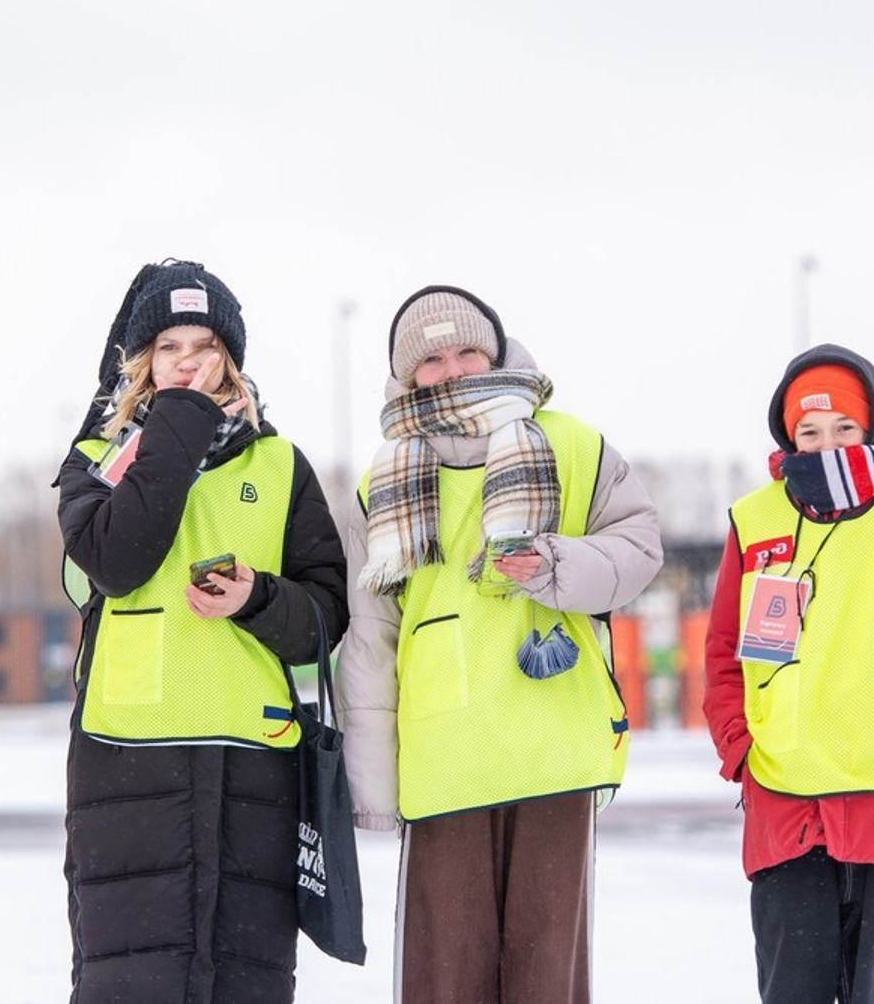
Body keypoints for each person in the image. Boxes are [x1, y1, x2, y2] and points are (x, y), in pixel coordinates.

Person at [334, 284, 663, 1004]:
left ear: (497, 353)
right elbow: (371, 638)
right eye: (431, 360)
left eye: (467, 351)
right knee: (444, 980)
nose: (452, 370)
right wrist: (375, 784)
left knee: (548, 981)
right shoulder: (379, 481)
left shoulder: (573, 444)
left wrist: (554, 565)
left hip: (553, 747)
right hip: (443, 759)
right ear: (405, 376)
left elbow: (639, 550)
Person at [56, 258, 348, 1004]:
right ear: (143, 362)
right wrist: (182, 421)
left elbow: (325, 619)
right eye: (169, 347)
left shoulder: (281, 465)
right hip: (127, 762)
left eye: (205, 346)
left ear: (232, 359)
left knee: (246, 983)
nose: (188, 362)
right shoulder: (95, 461)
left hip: (254, 764)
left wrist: (258, 599)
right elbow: (116, 563)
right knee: (131, 982)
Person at [704, 344, 874, 1004]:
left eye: (845, 428)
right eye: (811, 431)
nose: (827, 445)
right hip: (787, 812)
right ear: (789, 437)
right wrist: (740, 749)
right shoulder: (756, 520)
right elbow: (723, 651)